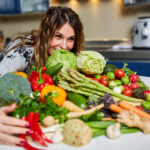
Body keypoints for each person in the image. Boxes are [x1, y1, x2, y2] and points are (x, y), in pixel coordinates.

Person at [0, 6, 84, 146]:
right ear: (46, 33)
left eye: (70, 39)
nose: (64, 45)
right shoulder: (24, 51)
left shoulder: (69, 55)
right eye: (58, 36)